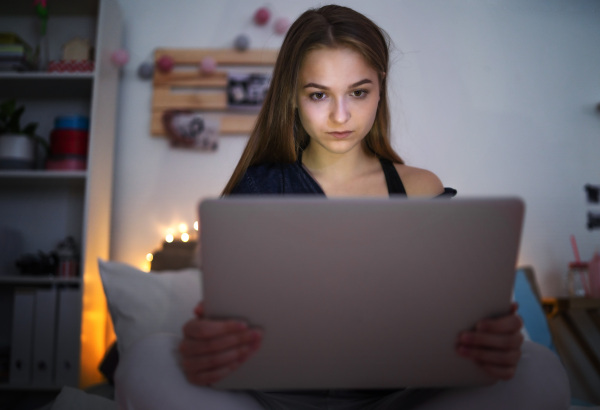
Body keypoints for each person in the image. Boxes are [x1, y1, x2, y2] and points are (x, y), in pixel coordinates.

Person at [115, 5, 570, 409]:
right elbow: (228, 317)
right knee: (147, 358)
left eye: (358, 92)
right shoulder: (258, 188)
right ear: (292, 95)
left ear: (380, 87)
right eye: (318, 95)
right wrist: (211, 342)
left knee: (539, 369)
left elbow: (449, 310)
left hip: (399, 395)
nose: (339, 116)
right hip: (275, 398)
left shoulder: (417, 187)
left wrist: (488, 337)